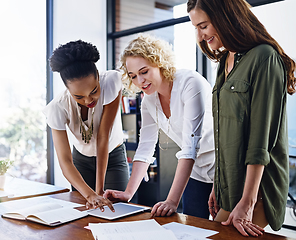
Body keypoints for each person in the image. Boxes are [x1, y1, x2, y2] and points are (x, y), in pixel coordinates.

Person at [187, 0, 296, 237]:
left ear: (225, 17)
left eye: (203, 26)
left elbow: (260, 140)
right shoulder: (224, 62)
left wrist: (248, 201)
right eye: (195, 27)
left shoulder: (265, 57)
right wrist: (218, 184)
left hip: (258, 189)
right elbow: (222, 133)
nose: (200, 35)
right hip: (229, 184)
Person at [103, 34, 215, 220]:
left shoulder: (190, 83)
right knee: (192, 229)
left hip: (223, 170)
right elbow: (146, 146)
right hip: (196, 173)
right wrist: (128, 193)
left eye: (144, 71)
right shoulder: (148, 100)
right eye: (133, 76)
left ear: (160, 62)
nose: (140, 81)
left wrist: (171, 201)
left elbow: (190, 148)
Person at [43, 40, 129, 211]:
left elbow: (103, 136)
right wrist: (91, 195)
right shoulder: (57, 107)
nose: (88, 100)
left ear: (97, 75)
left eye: (94, 91)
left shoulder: (111, 82)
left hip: (112, 156)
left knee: (118, 212)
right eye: (79, 96)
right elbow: (65, 161)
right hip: (80, 161)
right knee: (86, 213)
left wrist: (99, 191)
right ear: (67, 89)